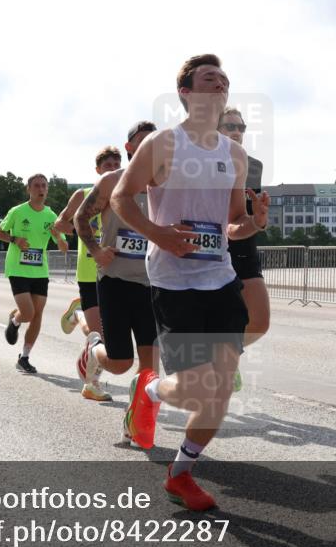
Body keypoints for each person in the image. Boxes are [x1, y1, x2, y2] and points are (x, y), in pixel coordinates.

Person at [111, 54, 269, 510]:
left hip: (220, 277)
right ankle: (152, 388)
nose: (218, 83)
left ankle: (181, 473)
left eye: (223, 79)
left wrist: (254, 223)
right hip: (173, 281)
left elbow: (234, 223)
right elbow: (123, 197)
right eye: (208, 77)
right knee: (199, 387)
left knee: (220, 388)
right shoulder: (163, 145)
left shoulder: (234, 155)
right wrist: (158, 233)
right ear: (186, 91)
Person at [74, 124, 159, 407]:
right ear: (130, 148)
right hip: (115, 280)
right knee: (121, 362)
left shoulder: (168, 183)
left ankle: (136, 424)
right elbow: (80, 218)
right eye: (142, 142)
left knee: (150, 367)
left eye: (154, 141)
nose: (149, 146)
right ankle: (94, 347)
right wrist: (96, 250)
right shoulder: (113, 181)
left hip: (152, 283)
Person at [54, 146, 123, 401]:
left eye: (117, 163)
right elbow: (60, 223)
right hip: (89, 268)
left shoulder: (128, 196)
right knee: (98, 336)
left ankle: (79, 314)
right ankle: (92, 384)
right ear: (97, 170)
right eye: (108, 165)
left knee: (113, 335)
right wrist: (83, 228)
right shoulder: (83, 194)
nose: (114, 168)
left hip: (119, 271)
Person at [0, 174, 69, 374]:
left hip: (40, 270)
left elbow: (60, 239)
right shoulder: (17, 211)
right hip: (18, 268)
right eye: (36, 186)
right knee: (28, 313)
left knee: (38, 315)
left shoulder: (51, 215)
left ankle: (25, 357)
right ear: (28, 189)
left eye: (44, 186)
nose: (40, 189)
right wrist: (15, 239)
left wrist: (62, 242)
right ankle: (16, 320)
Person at [218, 107, 269, 391]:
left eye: (241, 127)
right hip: (211, 249)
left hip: (243, 243)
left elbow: (242, 214)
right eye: (229, 126)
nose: (237, 131)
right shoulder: (198, 163)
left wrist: (258, 220)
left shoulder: (254, 165)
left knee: (259, 321)